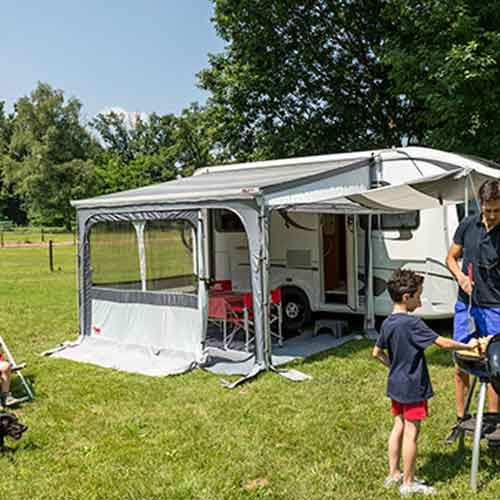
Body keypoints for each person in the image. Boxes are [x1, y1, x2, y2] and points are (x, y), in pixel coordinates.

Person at [373, 269, 478, 496]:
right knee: (412, 433)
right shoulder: (412, 324)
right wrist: (468, 346)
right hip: (412, 386)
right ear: (406, 297)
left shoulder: (388, 322)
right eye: (419, 295)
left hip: (396, 384)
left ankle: (393, 474)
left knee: (398, 426)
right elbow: (442, 343)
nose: (420, 301)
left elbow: (376, 353)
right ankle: (408, 483)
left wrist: (394, 367)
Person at [445, 179, 500, 442]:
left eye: (497, 211)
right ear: (481, 204)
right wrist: (460, 277)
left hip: (495, 308)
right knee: (461, 361)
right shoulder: (468, 225)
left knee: (495, 365)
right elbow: (450, 257)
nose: (491, 216)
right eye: (488, 210)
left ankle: (493, 422)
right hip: (466, 307)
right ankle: (461, 420)